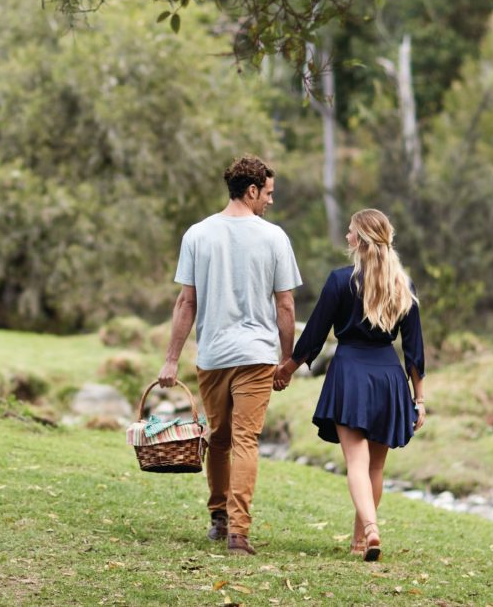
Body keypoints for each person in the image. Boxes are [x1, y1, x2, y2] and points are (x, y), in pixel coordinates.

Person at [158, 155, 302, 556]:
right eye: (268, 193)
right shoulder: (274, 237)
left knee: (219, 440)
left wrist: (171, 358)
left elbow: (186, 302)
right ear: (251, 190)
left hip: (214, 355)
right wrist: (286, 360)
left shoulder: (197, 234)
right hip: (257, 354)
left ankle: (220, 518)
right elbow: (286, 306)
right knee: (243, 441)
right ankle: (239, 533)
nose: (270, 201)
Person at [273, 208, 425, 562]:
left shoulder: (340, 281)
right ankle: (360, 540)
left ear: (361, 238)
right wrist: (419, 399)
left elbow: (315, 334)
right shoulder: (404, 285)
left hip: (351, 374)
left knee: (356, 463)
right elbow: (415, 350)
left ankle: (370, 530)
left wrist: (289, 367)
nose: (346, 236)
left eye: (350, 231)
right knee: (374, 467)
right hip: (389, 377)